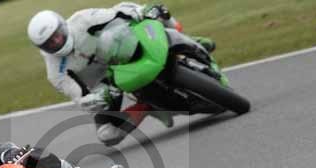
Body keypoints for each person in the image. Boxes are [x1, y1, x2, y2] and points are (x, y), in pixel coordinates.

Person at [27, 3, 216, 146]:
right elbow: (80, 97)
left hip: (119, 49)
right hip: (106, 84)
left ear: (63, 25)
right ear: (42, 48)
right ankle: (146, 106)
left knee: (157, 10)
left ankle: (189, 39)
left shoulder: (82, 20)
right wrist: (96, 99)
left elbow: (117, 12)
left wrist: (142, 12)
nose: (57, 42)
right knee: (107, 135)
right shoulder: (55, 72)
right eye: (50, 43)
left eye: (57, 35)